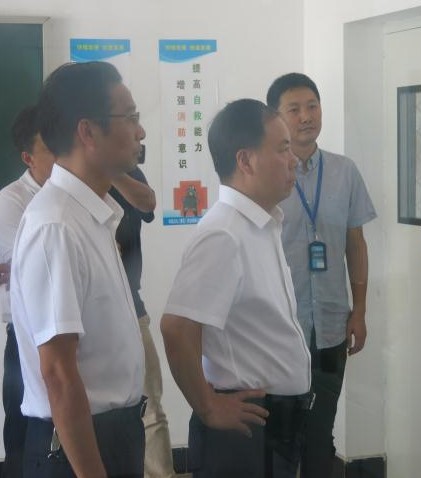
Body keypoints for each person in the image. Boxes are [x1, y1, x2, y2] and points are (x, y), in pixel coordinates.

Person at [160, 99, 311, 478]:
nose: (293, 160)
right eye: (282, 149)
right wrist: (208, 406)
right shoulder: (223, 234)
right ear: (245, 161)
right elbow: (177, 328)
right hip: (244, 426)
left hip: (274, 424)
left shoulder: (261, 224)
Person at [11, 61, 146, 478]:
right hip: (76, 449)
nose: (140, 132)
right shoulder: (57, 225)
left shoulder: (91, 214)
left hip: (112, 434)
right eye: (130, 117)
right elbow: (58, 373)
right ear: (87, 132)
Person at [266, 72, 377, 477]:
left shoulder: (345, 172)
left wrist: (359, 310)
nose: (306, 117)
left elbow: (355, 244)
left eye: (312, 106)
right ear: (276, 118)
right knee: (279, 434)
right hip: (280, 329)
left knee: (320, 430)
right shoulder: (265, 174)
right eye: (294, 109)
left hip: (331, 325)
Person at [109, 160, 176, 478]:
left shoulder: (125, 170)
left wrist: (108, 168)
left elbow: (148, 203)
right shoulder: (67, 179)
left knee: (150, 408)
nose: (138, 138)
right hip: (85, 319)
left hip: (132, 310)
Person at [0, 105, 56, 477]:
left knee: (56, 428)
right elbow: (26, 267)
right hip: (25, 337)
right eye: (49, 148)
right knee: (23, 430)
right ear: (28, 158)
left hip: (68, 333)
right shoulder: (12, 200)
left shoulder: (78, 195)